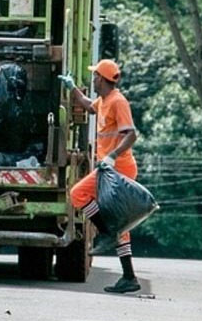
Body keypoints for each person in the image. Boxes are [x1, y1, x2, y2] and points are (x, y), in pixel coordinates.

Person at [60, 59, 141, 294]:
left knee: (78, 193)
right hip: (110, 169)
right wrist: (72, 87)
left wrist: (112, 156)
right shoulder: (104, 100)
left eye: (95, 76)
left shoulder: (118, 101)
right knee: (120, 225)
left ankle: (106, 234)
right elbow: (87, 105)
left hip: (118, 169)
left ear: (103, 79)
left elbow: (131, 135)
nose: (93, 79)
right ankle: (128, 276)